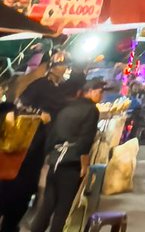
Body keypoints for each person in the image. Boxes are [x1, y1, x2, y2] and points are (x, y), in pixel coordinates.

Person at [0, 53, 74, 231]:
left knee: (20, 196)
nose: (64, 69)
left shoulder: (57, 88)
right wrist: (38, 114)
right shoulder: (39, 86)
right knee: (16, 193)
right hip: (22, 148)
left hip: (33, 148)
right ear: (51, 67)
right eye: (62, 65)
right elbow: (21, 105)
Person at [29, 75, 104, 232]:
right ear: (88, 92)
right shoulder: (91, 110)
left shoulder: (65, 108)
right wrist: (85, 166)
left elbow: (52, 135)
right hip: (71, 163)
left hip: (55, 161)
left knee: (46, 207)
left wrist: (49, 155)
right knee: (62, 208)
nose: (101, 95)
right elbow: (85, 140)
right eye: (99, 92)